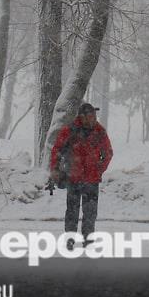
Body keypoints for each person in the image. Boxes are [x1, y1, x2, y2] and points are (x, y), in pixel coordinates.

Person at [49, 103, 113, 246]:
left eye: (93, 116)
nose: (93, 119)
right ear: (81, 117)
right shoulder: (70, 130)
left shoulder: (99, 131)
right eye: (90, 116)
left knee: (90, 212)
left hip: (92, 179)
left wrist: (99, 168)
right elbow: (57, 150)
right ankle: (70, 239)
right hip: (73, 178)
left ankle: (88, 239)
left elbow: (108, 153)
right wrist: (55, 169)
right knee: (72, 211)